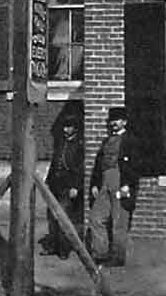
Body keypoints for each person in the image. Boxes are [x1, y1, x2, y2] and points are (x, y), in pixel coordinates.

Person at [89, 106, 141, 266]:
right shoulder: (106, 140)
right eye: (111, 121)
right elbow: (98, 165)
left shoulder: (132, 140)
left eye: (117, 120)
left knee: (119, 221)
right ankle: (100, 253)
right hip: (105, 182)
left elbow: (136, 165)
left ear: (124, 122)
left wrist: (127, 184)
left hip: (121, 183)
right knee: (96, 218)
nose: (114, 123)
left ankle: (117, 258)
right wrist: (95, 184)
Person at [41, 104, 84, 259]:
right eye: (65, 127)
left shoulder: (79, 146)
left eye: (69, 127)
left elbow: (80, 168)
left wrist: (76, 186)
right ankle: (52, 245)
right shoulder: (61, 143)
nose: (66, 130)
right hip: (55, 185)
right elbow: (55, 162)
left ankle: (64, 249)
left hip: (68, 186)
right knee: (52, 216)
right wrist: (47, 180)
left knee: (64, 217)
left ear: (75, 128)